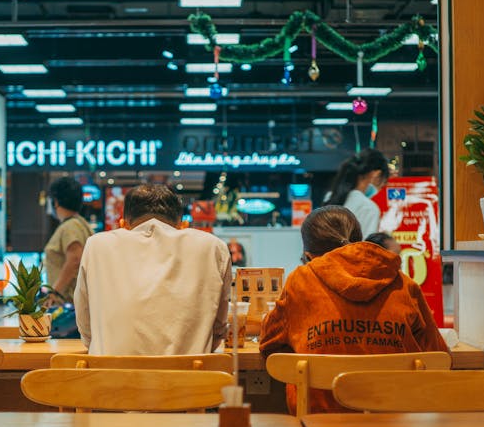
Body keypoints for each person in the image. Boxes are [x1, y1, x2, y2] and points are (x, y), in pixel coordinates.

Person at [260, 205, 447, 414]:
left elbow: (268, 345)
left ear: (309, 255)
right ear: (358, 241)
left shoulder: (300, 281)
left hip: (317, 425)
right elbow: (438, 355)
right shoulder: (404, 285)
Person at [74, 183, 232, 355]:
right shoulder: (213, 247)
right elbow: (218, 329)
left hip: (111, 378)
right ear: (181, 225)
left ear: (124, 224)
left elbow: (86, 325)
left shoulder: (97, 246)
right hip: (192, 377)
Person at [43, 177, 93, 304]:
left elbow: (74, 259)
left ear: (55, 202)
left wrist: (55, 292)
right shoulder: (81, 223)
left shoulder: (70, 227)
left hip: (69, 303)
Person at [324, 149, 390, 235]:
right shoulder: (368, 208)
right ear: (376, 174)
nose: (380, 189)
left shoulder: (329, 198)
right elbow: (364, 247)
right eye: (382, 184)